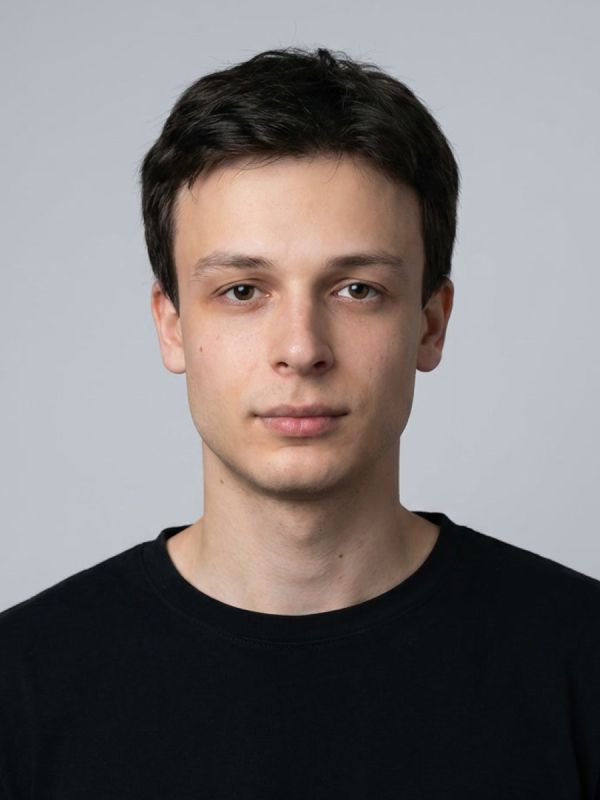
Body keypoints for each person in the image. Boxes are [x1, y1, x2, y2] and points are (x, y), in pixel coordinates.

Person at [1, 45, 599, 799]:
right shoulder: (20, 687)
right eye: (243, 291)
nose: (301, 349)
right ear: (171, 325)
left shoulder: (581, 660)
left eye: (357, 289)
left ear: (431, 324)